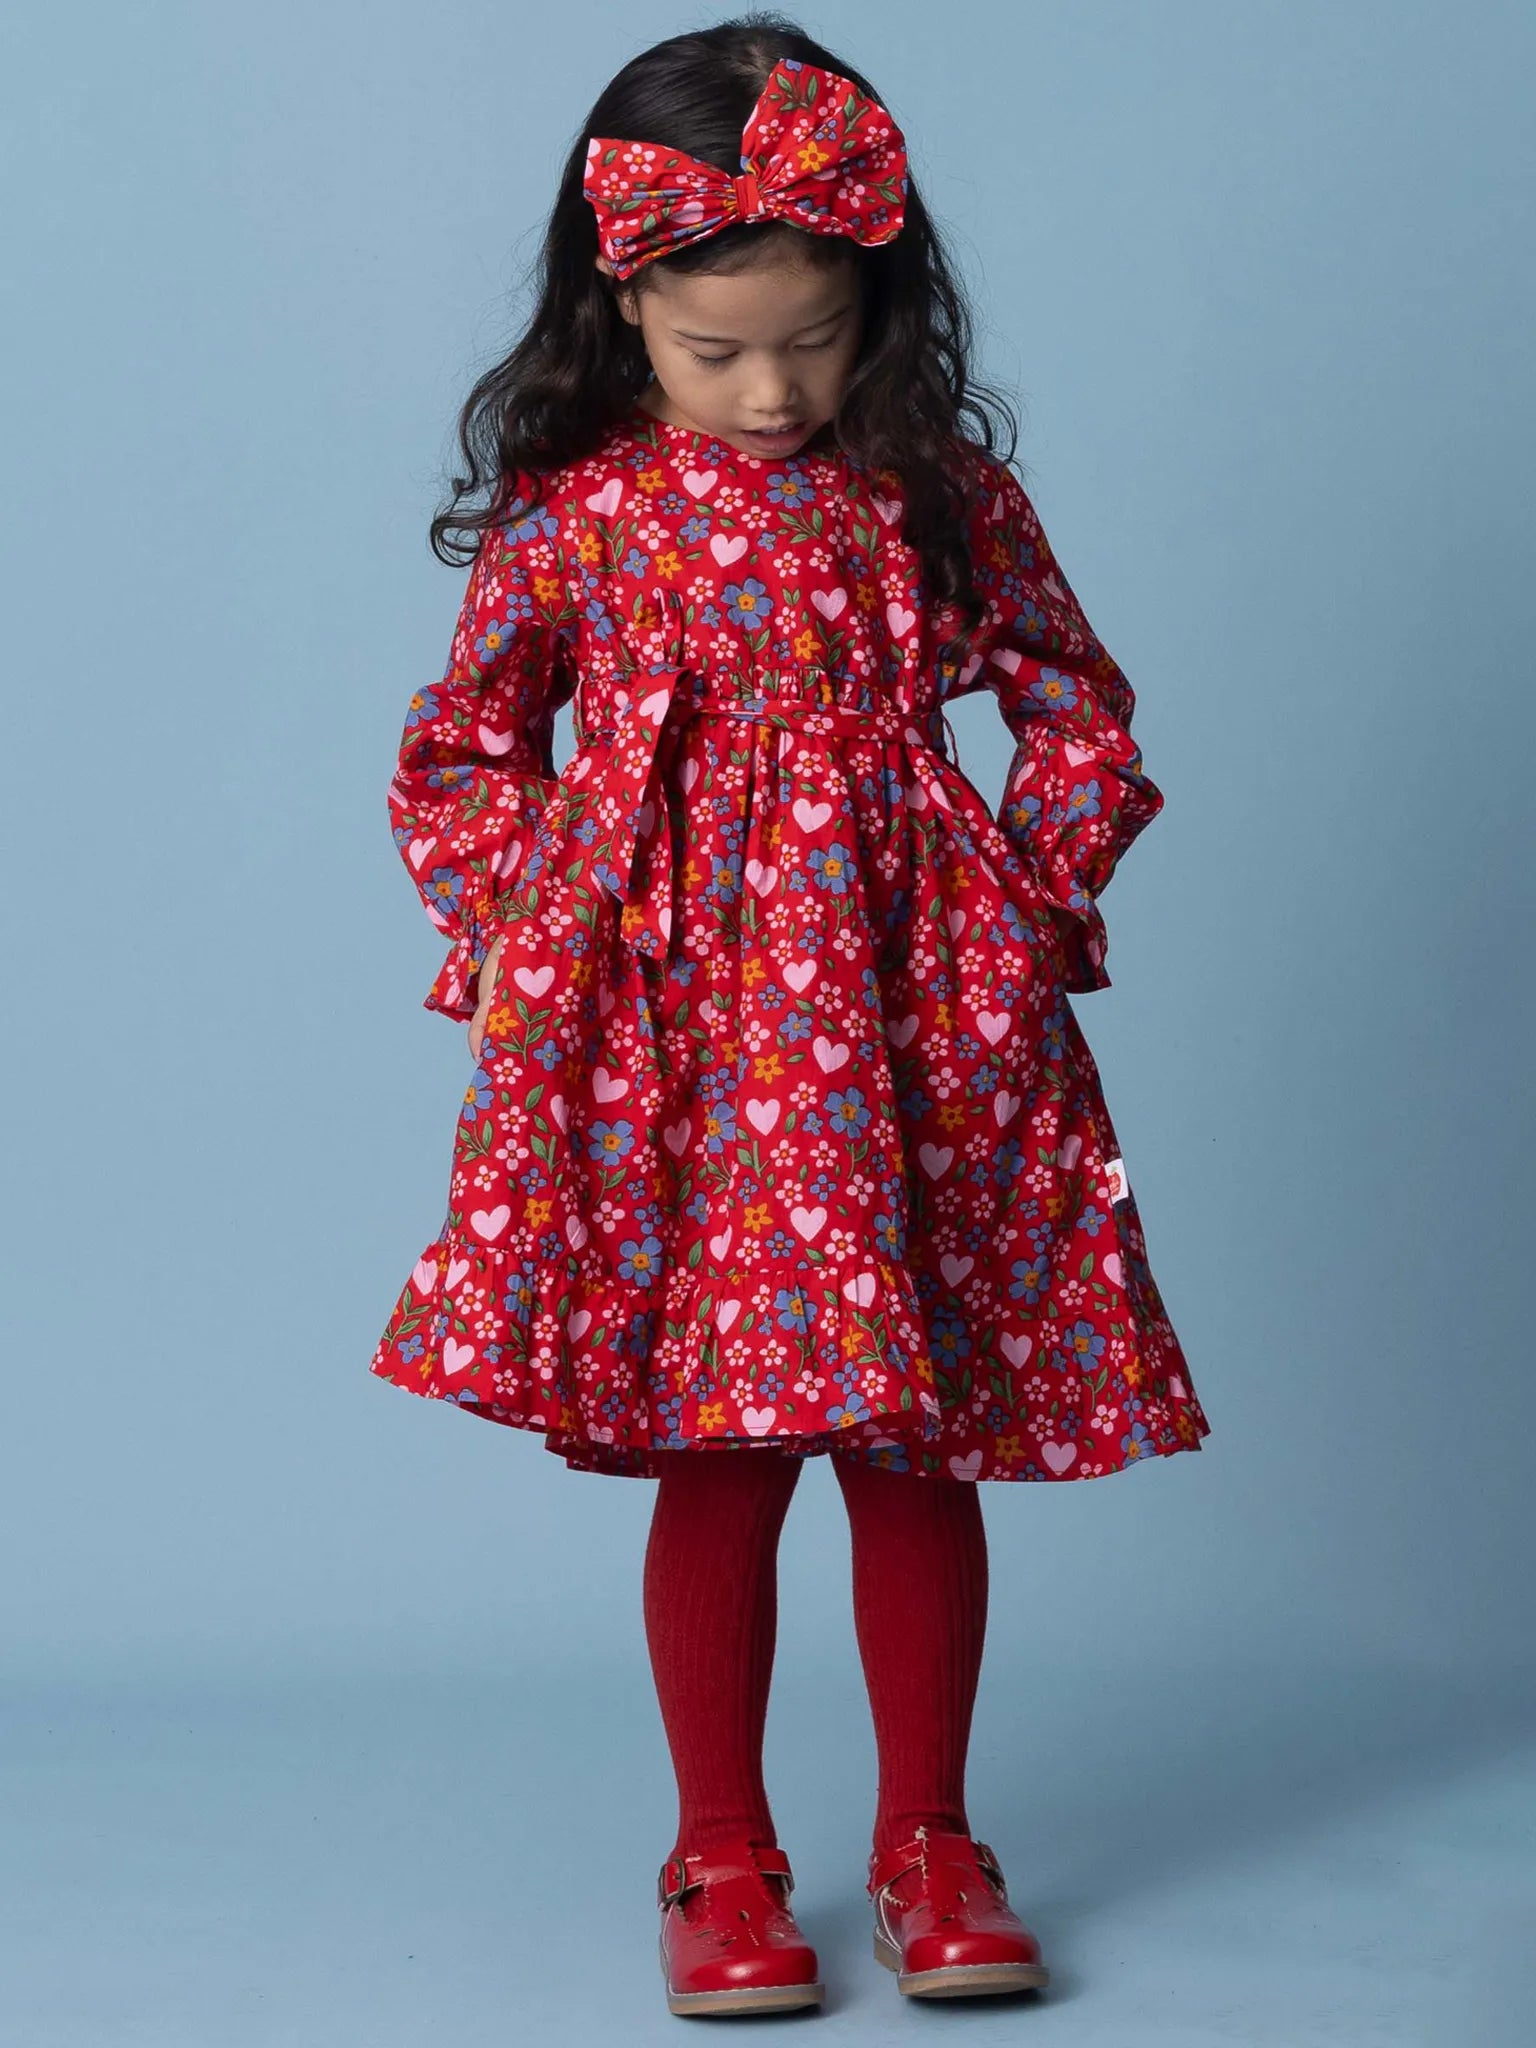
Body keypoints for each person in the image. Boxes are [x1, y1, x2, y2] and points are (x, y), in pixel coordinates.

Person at [369, 14, 1213, 2019]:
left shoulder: (934, 497)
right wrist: (514, 915)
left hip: (920, 1020)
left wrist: (1034, 885)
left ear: (878, 306)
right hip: (680, 1044)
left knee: (919, 1443)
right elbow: (459, 754)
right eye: (716, 349)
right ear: (624, 309)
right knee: (715, 1453)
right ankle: (719, 1854)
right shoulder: (579, 517)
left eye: (815, 341)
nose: (771, 391)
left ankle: (933, 1833)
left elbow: (1080, 710)